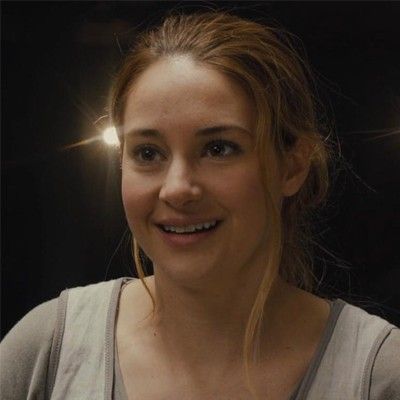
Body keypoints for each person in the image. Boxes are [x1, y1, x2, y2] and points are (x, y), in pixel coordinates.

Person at [1, 11, 399, 400]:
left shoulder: (377, 374)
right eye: (148, 152)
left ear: (292, 166)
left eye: (218, 148)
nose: (177, 189)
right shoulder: (47, 352)